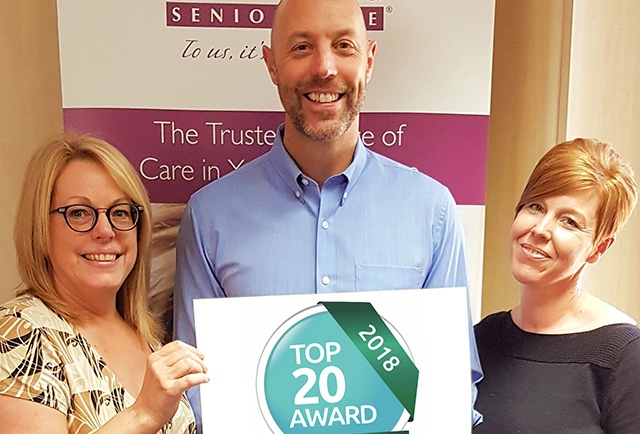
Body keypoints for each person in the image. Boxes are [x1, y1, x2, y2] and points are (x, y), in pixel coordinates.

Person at [173, 0, 483, 430]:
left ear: (369, 60)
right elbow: (197, 389)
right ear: (271, 65)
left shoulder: (431, 210)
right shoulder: (210, 216)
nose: (324, 67)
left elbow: (450, 385)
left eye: (343, 46)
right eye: (301, 47)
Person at [0, 133, 209, 434]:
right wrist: (144, 414)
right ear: (41, 230)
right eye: (79, 213)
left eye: (121, 212)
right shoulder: (20, 332)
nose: (105, 230)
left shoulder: (146, 336)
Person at [474, 138, 640, 433]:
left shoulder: (625, 358)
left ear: (599, 248)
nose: (540, 229)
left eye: (569, 222)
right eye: (536, 206)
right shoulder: (483, 338)